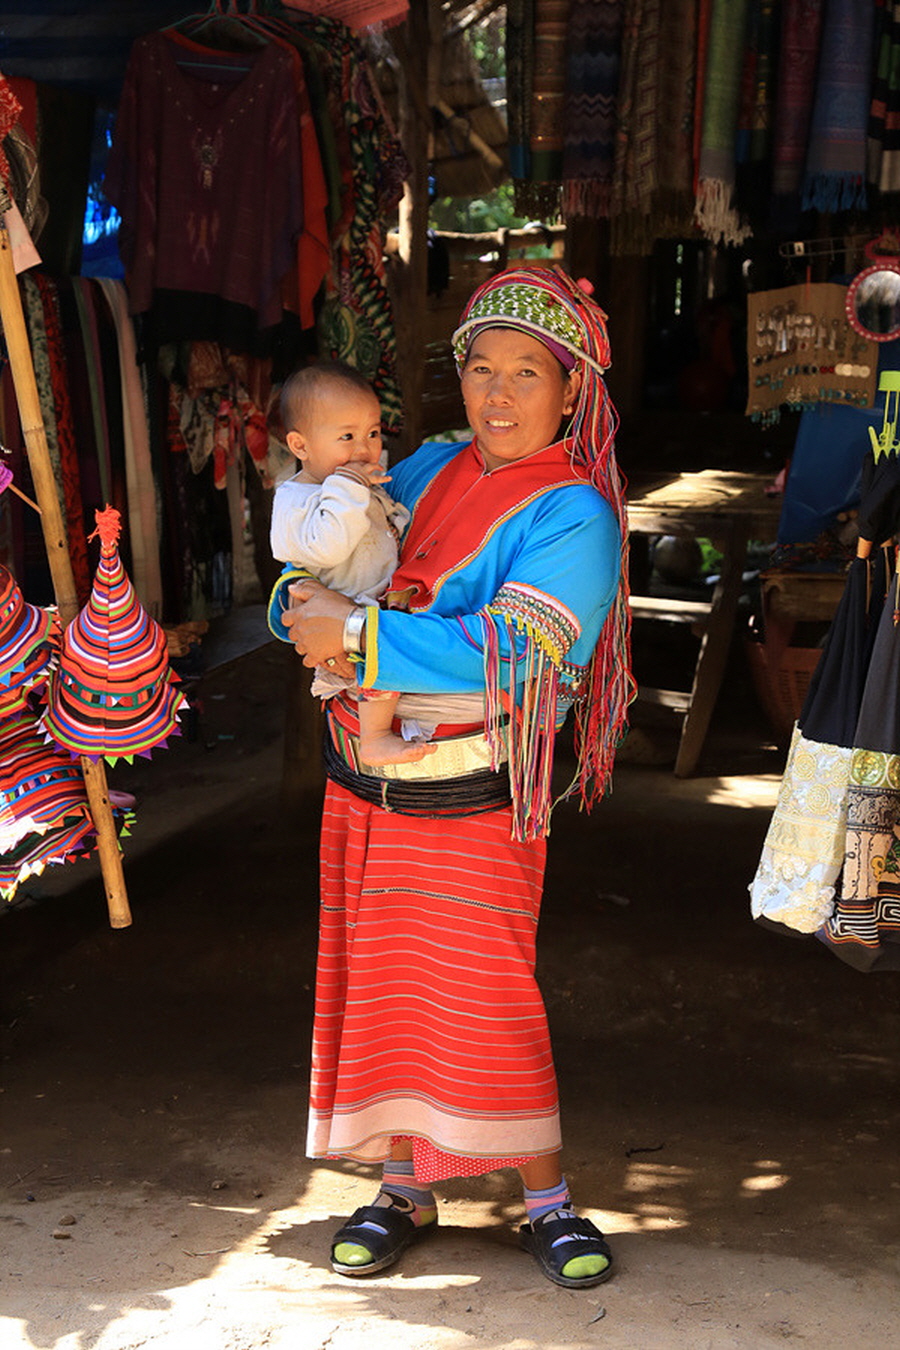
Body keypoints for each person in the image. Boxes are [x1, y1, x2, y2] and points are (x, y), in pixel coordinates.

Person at [281, 266, 634, 1290]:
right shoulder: (427, 465)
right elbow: (326, 556)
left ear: (571, 390)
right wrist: (294, 608)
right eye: (482, 368)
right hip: (365, 782)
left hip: (474, 795)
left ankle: (548, 1201)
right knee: (387, 992)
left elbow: (519, 650)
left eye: (527, 372)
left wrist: (356, 636)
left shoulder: (574, 516)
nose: (499, 393)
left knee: (488, 999)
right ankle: (404, 1189)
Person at [269, 361, 442, 766]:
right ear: (300, 446)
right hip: (346, 606)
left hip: (380, 595)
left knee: (397, 654)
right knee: (378, 666)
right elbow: (328, 547)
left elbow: (386, 527)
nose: (365, 448)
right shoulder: (295, 500)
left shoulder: (351, 485)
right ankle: (374, 738)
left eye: (373, 433)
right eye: (347, 436)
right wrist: (347, 487)